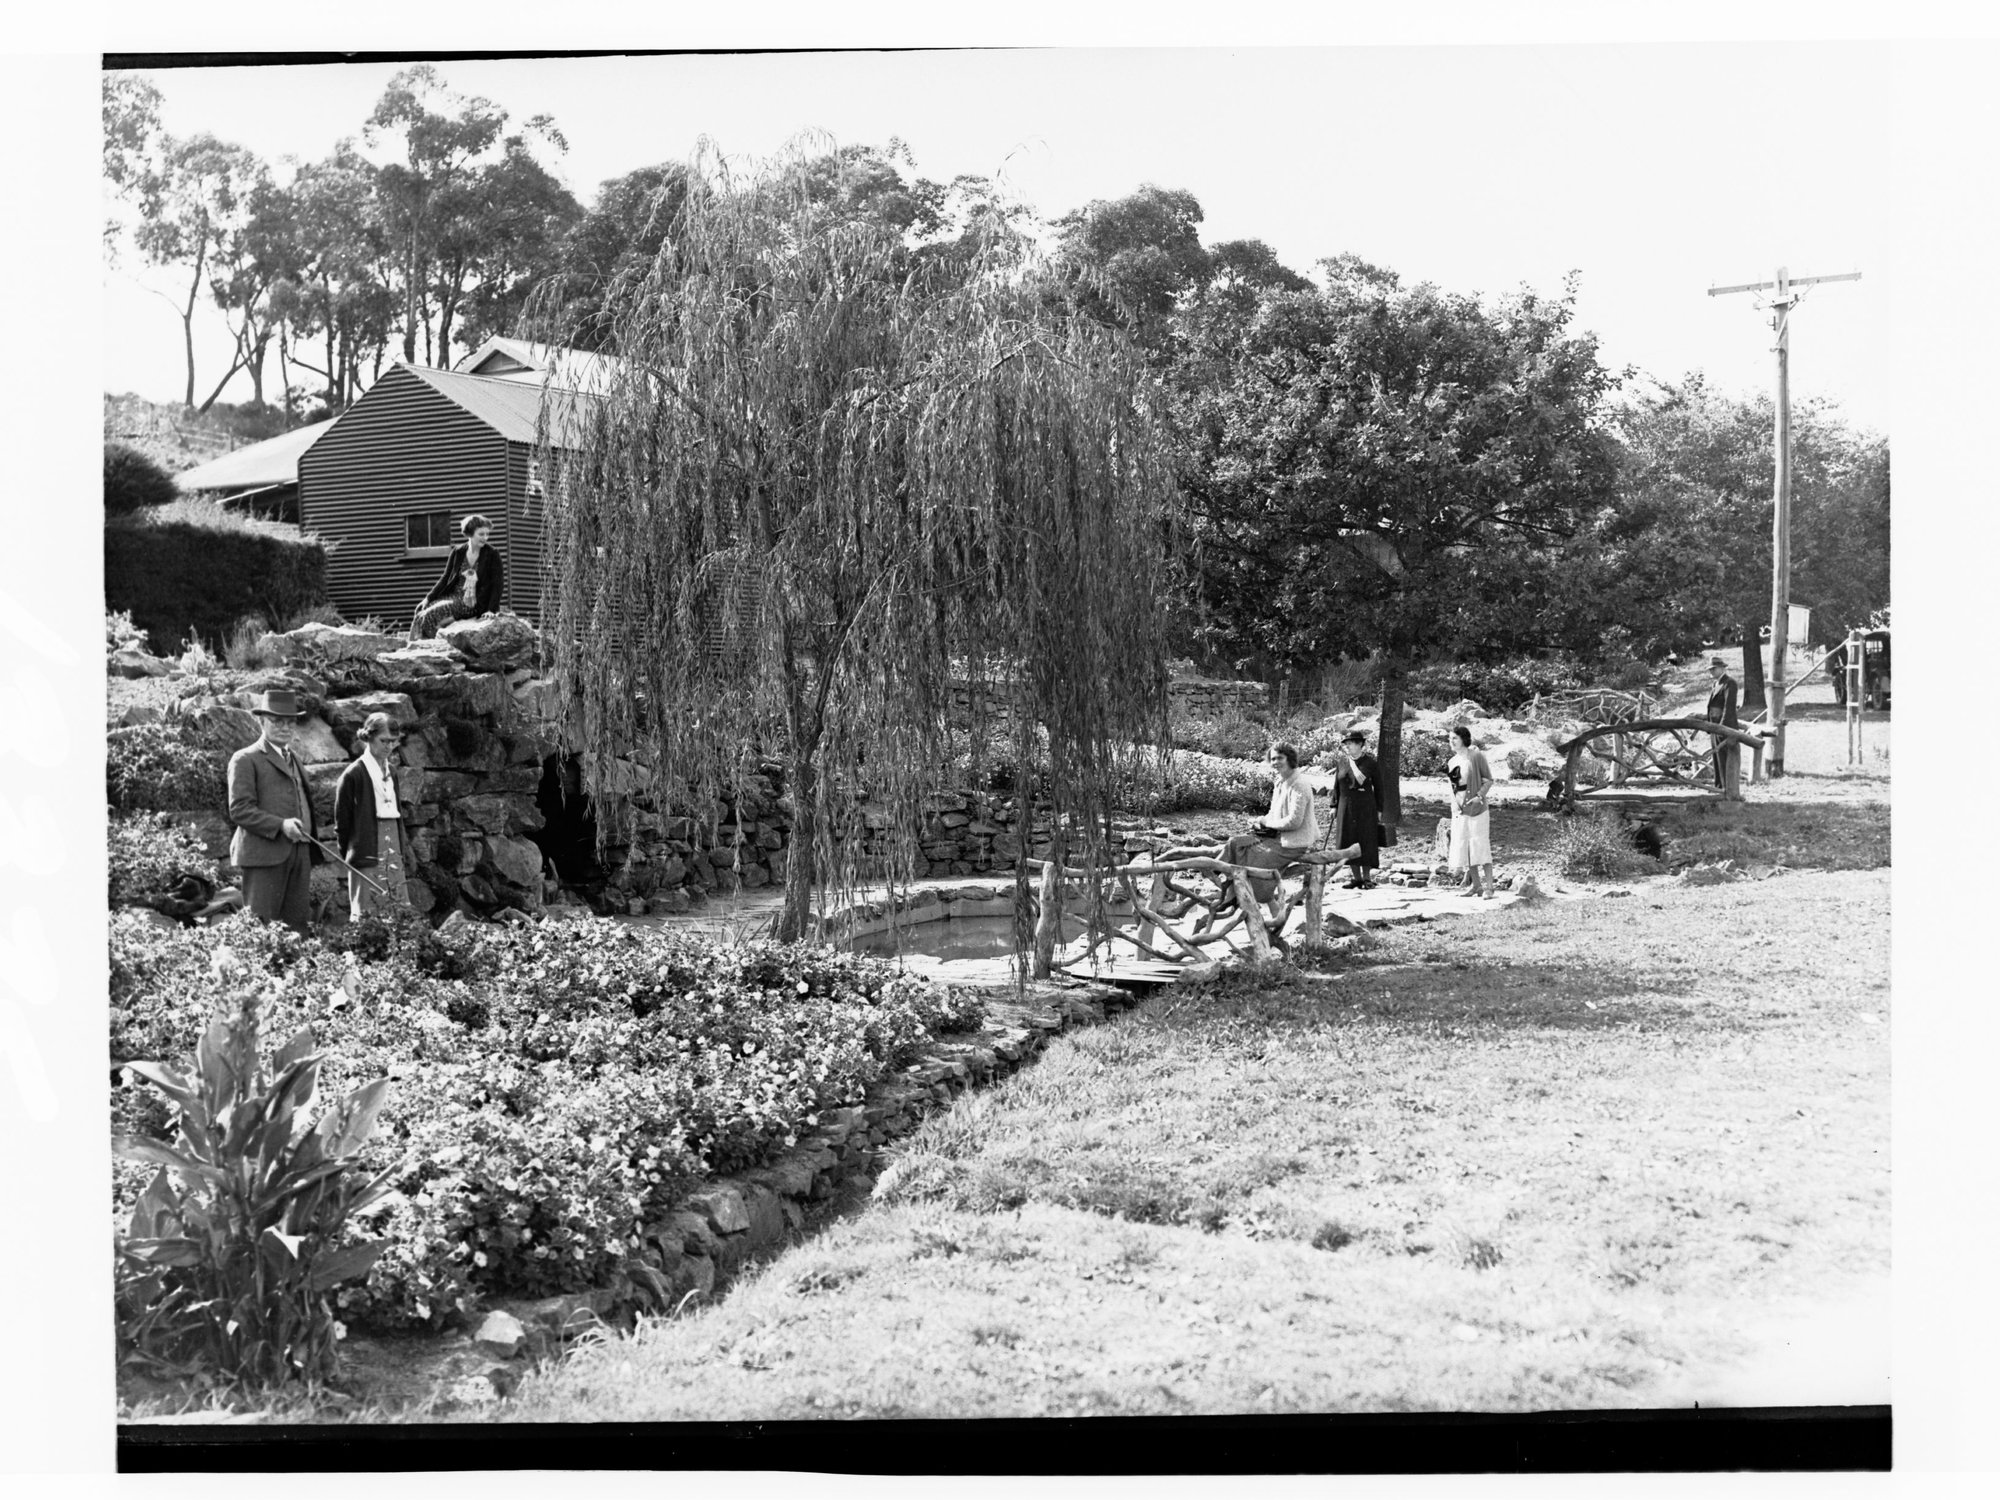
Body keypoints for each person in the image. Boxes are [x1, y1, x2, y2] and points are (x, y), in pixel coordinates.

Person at [226, 689, 321, 935]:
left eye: (290, 722)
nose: (285, 727)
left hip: (300, 852)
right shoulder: (245, 759)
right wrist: (280, 825)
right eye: (277, 721)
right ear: (261, 722)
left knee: (296, 928)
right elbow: (240, 810)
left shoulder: (295, 759)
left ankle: (294, 973)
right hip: (264, 854)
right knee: (261, 927)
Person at [1218, 742, 1319, 906]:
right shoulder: (1280, 781)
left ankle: (1256, 897)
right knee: (1236, 843)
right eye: (1273, 759)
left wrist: (1268, 823)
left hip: (1294, 843)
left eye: (1280, 758)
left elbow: (1294, 822)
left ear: (1290, 759)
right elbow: (1273, 813)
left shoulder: (1299, 784)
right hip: (1277, 837)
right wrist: (1260, 821)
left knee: (1255, 865)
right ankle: (1222, 878)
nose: (1276, 762)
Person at [335, 712, 411, 921]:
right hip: (366, 847)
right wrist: (354, 854)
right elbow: (342, 823)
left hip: (392, 845)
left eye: (393, 742)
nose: (388, 747)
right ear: (368, 738)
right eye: (383, 741)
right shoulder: (353, 775)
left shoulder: (392, 772)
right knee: (369, 910)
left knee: (397, 908)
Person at [411, 513, 505, 641]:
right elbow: (445, 578)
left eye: (487, 534)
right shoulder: (457, 552)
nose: (485, 538)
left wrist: (491, 610)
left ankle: (434, 644)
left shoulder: (492, 554)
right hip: (453, 596)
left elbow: (497, 584)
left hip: (474, 601)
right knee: (421, 610)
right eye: (481, 534)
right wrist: (428, 598)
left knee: (430, 614)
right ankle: (419, 645)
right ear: (470, 534)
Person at [1324, 728, 1382, 889]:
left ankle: (1367, 878)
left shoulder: (1370, 763)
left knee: (1365, 840)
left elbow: (1379, 787)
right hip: (1345, 806)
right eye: (1346, 744)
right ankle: (1356, 878)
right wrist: (1333, 805)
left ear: (1360, 745)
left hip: (1365, 806)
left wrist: (1379, 809)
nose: (1347, 747)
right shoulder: (1342, 762)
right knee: (1348, 840)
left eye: (1350, 744)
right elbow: (1337, 785)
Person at [1446, 724, 1496, 898]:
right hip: (1460, 811)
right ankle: (1476, 886)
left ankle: (1489, 887)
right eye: (1450, 738)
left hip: (1477, 809)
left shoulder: (1476, 756)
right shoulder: (1452, 762)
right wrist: (1454, 805)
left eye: (1455, 738)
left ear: (1463, 739)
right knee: (1466, 847)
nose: (1451, 741)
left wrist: (1479, 796)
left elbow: (1488, 780)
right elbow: (1453, 787)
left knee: (1480, 846)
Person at [1705, 655, 1741, 790]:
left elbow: (1729, 707)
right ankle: (1718, 787)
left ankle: (1728, 789)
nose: (1711, 672)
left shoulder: (1729, 683)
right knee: (1716, 758)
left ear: (1721, 668)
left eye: (1713, 669)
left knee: (1725, 759)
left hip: (1725, 727)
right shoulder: (1715, 684)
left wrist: (1722, 727)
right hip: (1714, 726)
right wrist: (1710, 725)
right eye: (1710, 669)